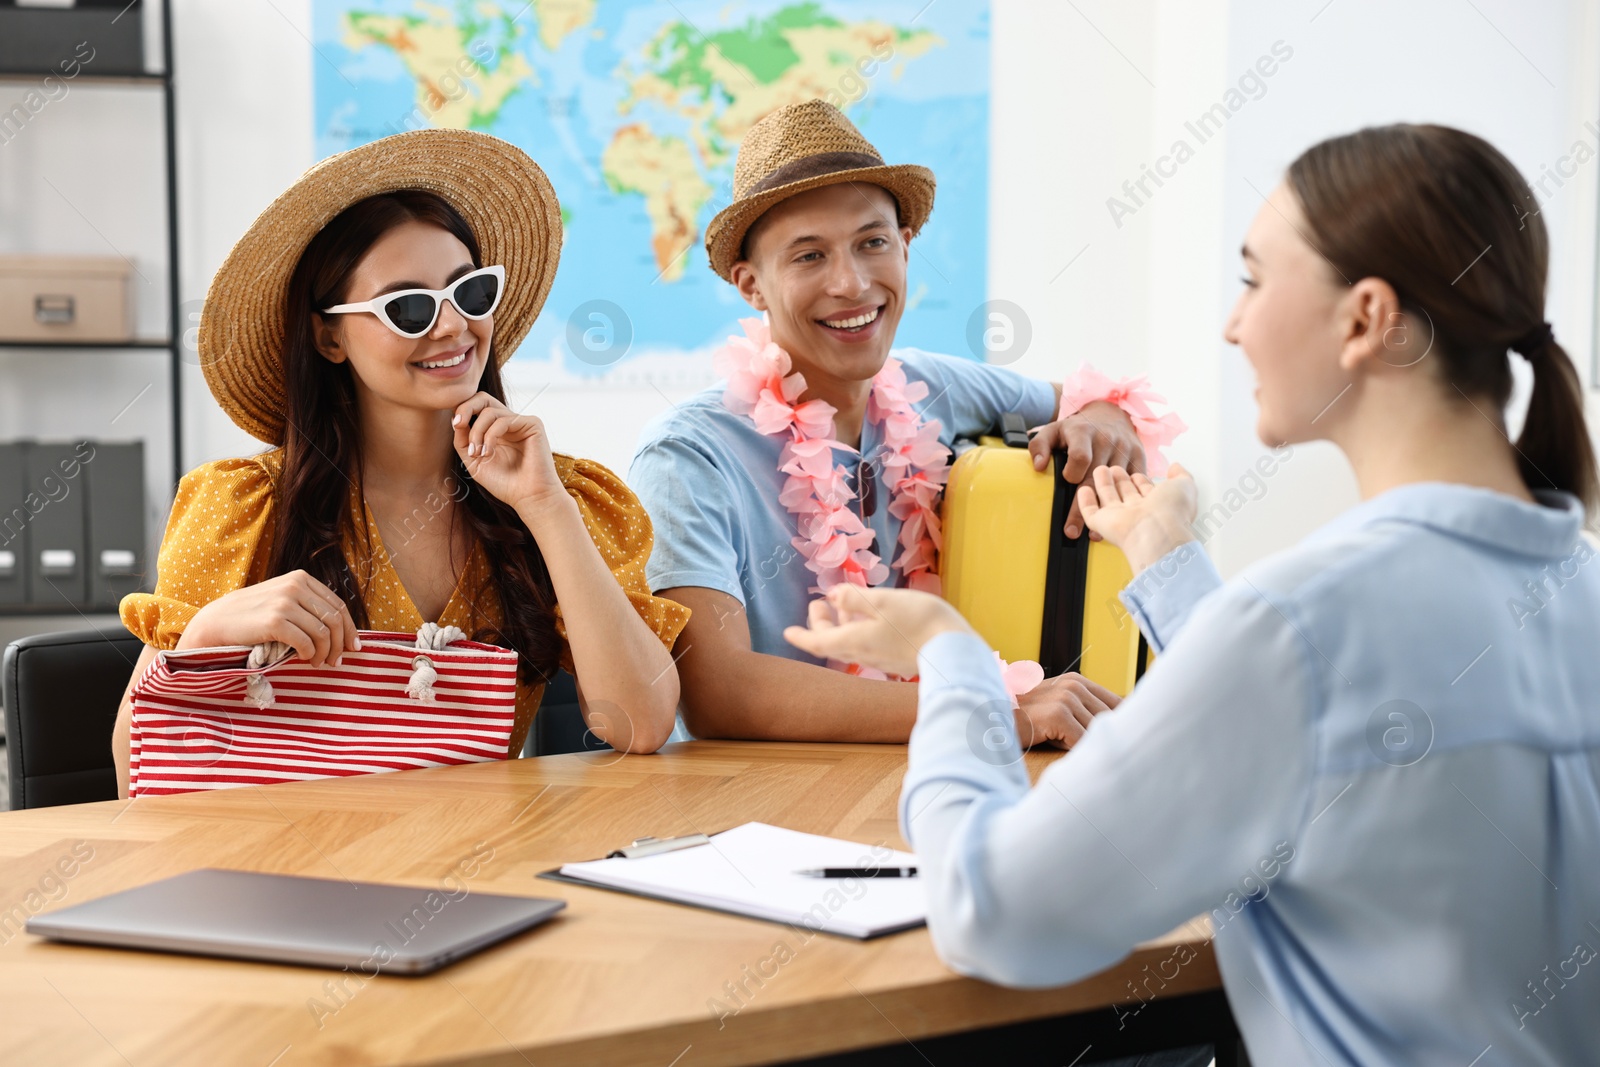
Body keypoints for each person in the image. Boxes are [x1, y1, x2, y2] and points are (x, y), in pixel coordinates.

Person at [785, 123, 1600, 1064]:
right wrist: (1168, 561)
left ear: (1365, 317)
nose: (1233, 323)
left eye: (1254, 278)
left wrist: (956, 661)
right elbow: (1313, 738)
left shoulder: (1299, 627)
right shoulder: (1565, 591)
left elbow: (992, 909)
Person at [111, 130, 690, 796]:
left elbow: (641, 725)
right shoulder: (242, 506)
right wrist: (207, 635)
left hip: (477, 875)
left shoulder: (563, 495)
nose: (451, 327)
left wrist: (547, 508)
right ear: (328, 335)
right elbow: (136, 769)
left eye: (469, 293)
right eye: (408, 307)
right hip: (286, 878)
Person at [630, 100, 1182, 746]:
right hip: (760, 809)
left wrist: (1102, 417)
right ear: (751, 285)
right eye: (809, 257)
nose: (852, 282)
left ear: (905, 247)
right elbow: (720, 693)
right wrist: (995, 710)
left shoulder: (932, 387)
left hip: (928, 784)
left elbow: (1092, 399)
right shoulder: (687, 455)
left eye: (873, 242)